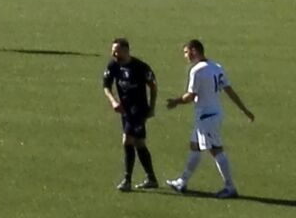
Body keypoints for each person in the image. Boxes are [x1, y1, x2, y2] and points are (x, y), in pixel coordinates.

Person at [165, 39, 254, 198]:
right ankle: (182, 181)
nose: (185, 56)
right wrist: (244, 110)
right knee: (195, 146)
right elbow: (229, 90)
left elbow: (191, 96)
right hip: (212, 114)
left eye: (186, 52)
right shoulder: (216, 67)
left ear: (194, 50)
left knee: (216, 150)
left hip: (207, 116)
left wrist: (176, 101)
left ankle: (230, 187)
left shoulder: (197, 70)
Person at [103, 38, 159, 192]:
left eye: (117, 50)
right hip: (125, 111)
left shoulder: (140, 67)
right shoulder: (113, 65)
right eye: (113, 50)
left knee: (127, 140)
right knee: (139, 143)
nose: (113, 53)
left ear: (126, 51)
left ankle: (127, 180)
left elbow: (153, 86)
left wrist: (152, 107)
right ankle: (151, 178)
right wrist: (114, 102)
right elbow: (106, 86)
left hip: (139, 109)